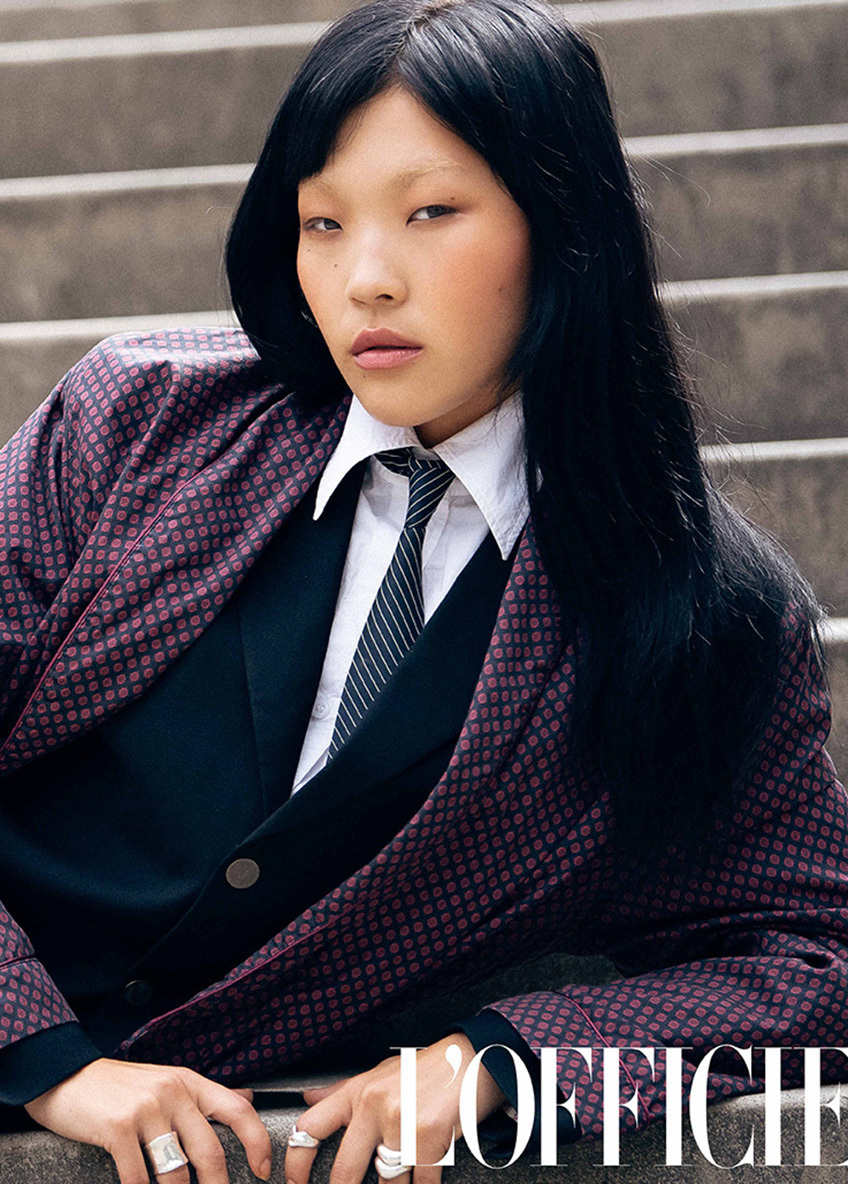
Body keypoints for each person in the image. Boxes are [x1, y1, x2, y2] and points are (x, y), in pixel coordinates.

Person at [0, 0, 846, 1180]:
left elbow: (810, 960)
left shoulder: (703, 607)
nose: (366, 279)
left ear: (561, 222)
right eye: (322, 222)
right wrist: (48, 1057)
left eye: (430, 212)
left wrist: (509, 1056)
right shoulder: (137, 418)